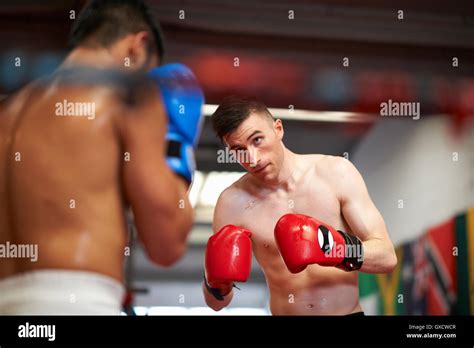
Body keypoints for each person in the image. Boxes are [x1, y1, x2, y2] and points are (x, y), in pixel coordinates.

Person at [0, 0, 203, 315]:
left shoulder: (9, 110)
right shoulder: (129, 94)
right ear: (138, 46)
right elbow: (167, 244)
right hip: (79, 304)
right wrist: (177, 144)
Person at [203, 96, 397, 315]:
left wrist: (335, 248)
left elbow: (386, 257)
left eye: (257, 140)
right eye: (239, 150)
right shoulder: (231, 203)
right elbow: (216, 304)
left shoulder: (336, 173)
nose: (252, 158)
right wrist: (216, 285)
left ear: (278, 129)